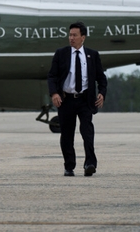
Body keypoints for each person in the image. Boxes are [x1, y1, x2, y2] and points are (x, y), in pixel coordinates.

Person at [47, 21, 108, 177]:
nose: (71, 38)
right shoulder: (61, 54)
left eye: (74, 35)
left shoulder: (92, 55)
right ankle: (69, 166)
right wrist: (54, 94)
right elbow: (52, 76)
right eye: (70, 35)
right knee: (67, 134)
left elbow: (101, 77)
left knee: (87, 131)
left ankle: (90, 163)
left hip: (85, 100)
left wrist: (102, 93)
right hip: (66, 100)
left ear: (83, 37)